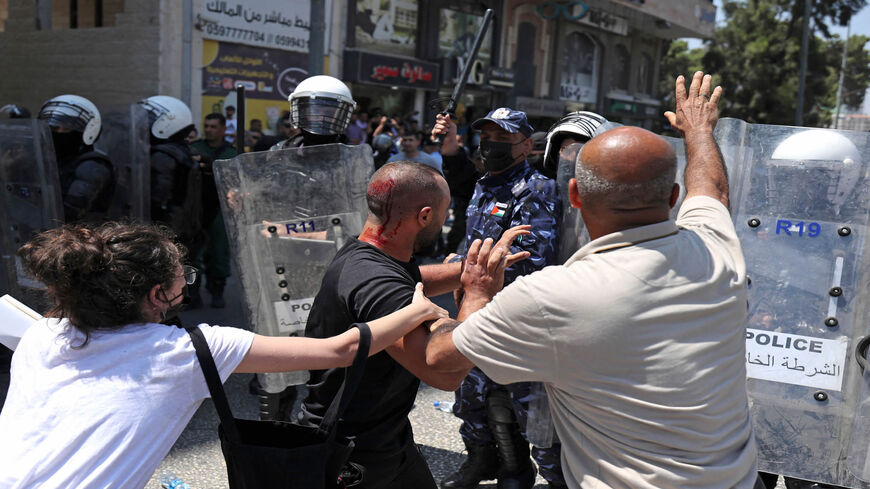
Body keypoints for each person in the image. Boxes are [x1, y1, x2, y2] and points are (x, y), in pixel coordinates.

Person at [424, 72, 761, 489]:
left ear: (575, 195)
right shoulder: (717, 253)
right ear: (673, 198)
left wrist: (474, 292)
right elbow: (711, 188)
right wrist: (698, 130)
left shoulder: (551, 295)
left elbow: (440, 361)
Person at [0, 222, 447, 489]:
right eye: (183, 279)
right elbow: (342, 349)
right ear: (158, 294)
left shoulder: (44, 335)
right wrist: (416, 310)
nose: (186, 286)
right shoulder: (187, 352)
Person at [299, 161, 529, 489]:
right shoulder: (373, 280)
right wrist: (477, 293)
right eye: (443, 212)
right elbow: (444, 370)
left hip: (387, 440)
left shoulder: (373, 253)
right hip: (351, 453)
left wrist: (474, 267)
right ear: (424, 216)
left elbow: (411, 279)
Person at [433, 108, 565, 489]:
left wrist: (458, 265)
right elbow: (479, 243)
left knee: (523, 405)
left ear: (525, 145)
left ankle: (541, 475)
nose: (491, 146)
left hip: (515, 314)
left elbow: (527, 259)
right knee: (473, 394)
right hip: (476, 306)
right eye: (487, 138)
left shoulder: (534, 188)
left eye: (503, 140)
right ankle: (486, 462)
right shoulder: (484, 184)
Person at [138, 95, 202, 258]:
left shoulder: (163, 156)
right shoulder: (183, 151)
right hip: (179, 232)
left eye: (150, 120)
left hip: (163, 232)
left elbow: (155, 200)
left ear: (167, 123)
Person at [38, 94, 114, 223]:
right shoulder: (52, 159)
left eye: (66, 128)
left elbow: (68, 213)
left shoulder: (92, 166)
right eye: (53, 128)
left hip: (80, 238)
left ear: (88, 131)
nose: (57, 133)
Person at [190, 113, 237, 308]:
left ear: (223, 129)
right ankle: (193, 293)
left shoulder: (231, 152)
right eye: (206, 126)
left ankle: (217, 290)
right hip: (196, 207)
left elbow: (236, 178)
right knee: (193, 252)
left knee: (219, 252)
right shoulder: (194, 148)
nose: (208, 129)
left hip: (220, 207)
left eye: (213, 126)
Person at [273, 75, 356, 150]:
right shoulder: (280, 151)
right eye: (315, 111)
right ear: (301, 113)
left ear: (340, 117)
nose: (321, 118)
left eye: (329, 113)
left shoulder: (353, 157)